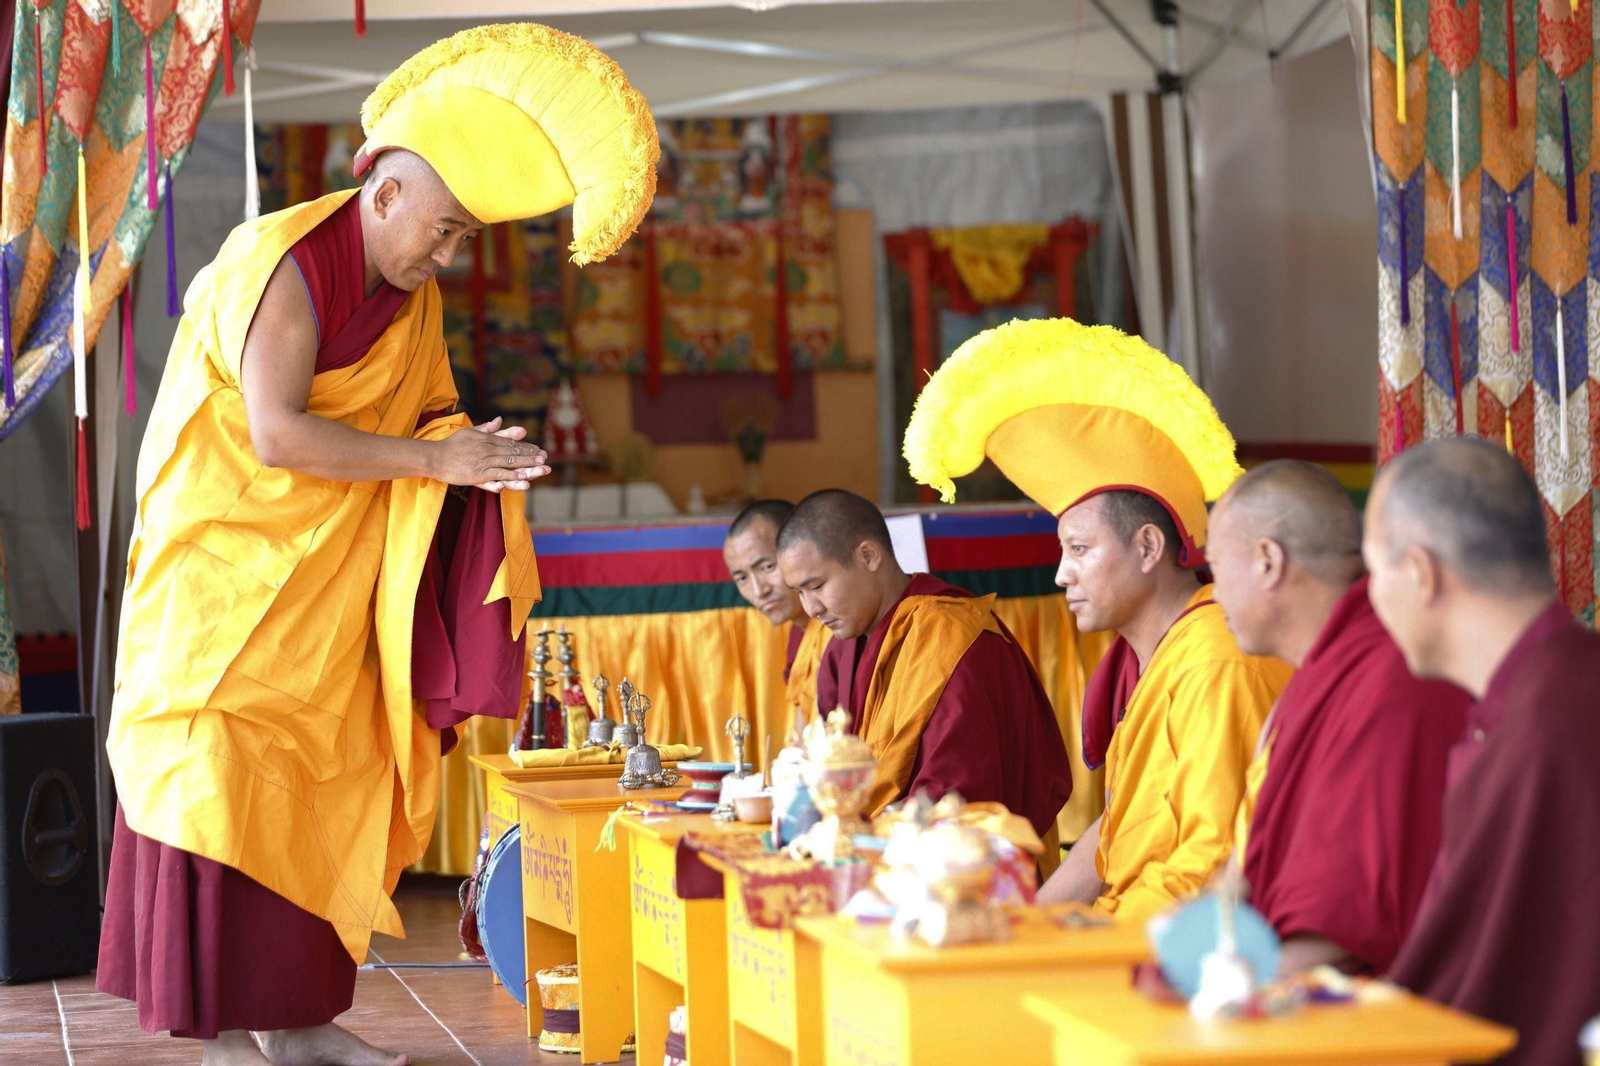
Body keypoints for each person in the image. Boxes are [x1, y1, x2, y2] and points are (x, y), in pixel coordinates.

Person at [97, 25, 657, 1066]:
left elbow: (424, 419)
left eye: (459, 241)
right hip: (223, 578)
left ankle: (302, 1023)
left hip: (325, 587)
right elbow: (276, 433)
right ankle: (221, 1033)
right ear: (384, 194)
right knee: (217, 776)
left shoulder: (413, 296)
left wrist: (470, 454)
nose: (446, 256)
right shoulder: (288, 264)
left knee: (323, 783)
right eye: (442, 230)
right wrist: (436, 464)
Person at [903, 317, 1292, 922]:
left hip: (1171, 944)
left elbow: (1214, 861)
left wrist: (1090, 937)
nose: (1061, 575)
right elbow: (1118, 833)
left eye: (1079, 550)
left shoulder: (1216, 658)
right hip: (1124, 921)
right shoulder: (1152, 659)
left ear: (1147, 548)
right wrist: (1024, 923)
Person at [1366, 438, 1600, 1065]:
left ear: (1420, 574)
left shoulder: (1545, 724)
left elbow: (1499, 995)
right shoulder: (1547, 688)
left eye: (1373, 572)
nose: (1370, 597)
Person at [1206, 460, 1467, 975]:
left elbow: (1337, 927)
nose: (1214, 594)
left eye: (1215, 569)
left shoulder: (1392, 675)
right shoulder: (1314, 678)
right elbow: (1244, 875)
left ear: (1267, 562)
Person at [777, 489, 1072, 844]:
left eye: (817, 586)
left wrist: (866, 833)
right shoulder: (842, 651)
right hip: (868, 847)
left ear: (869, 556)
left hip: (959, 871)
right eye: (799, 593)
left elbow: (959, 795)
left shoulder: (950, 637)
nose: (811, 608)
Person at [723, 499, 830, 727]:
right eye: (742, 578)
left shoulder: (839, 629)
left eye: (767, 567)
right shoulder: (800, 635)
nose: (758, 590)